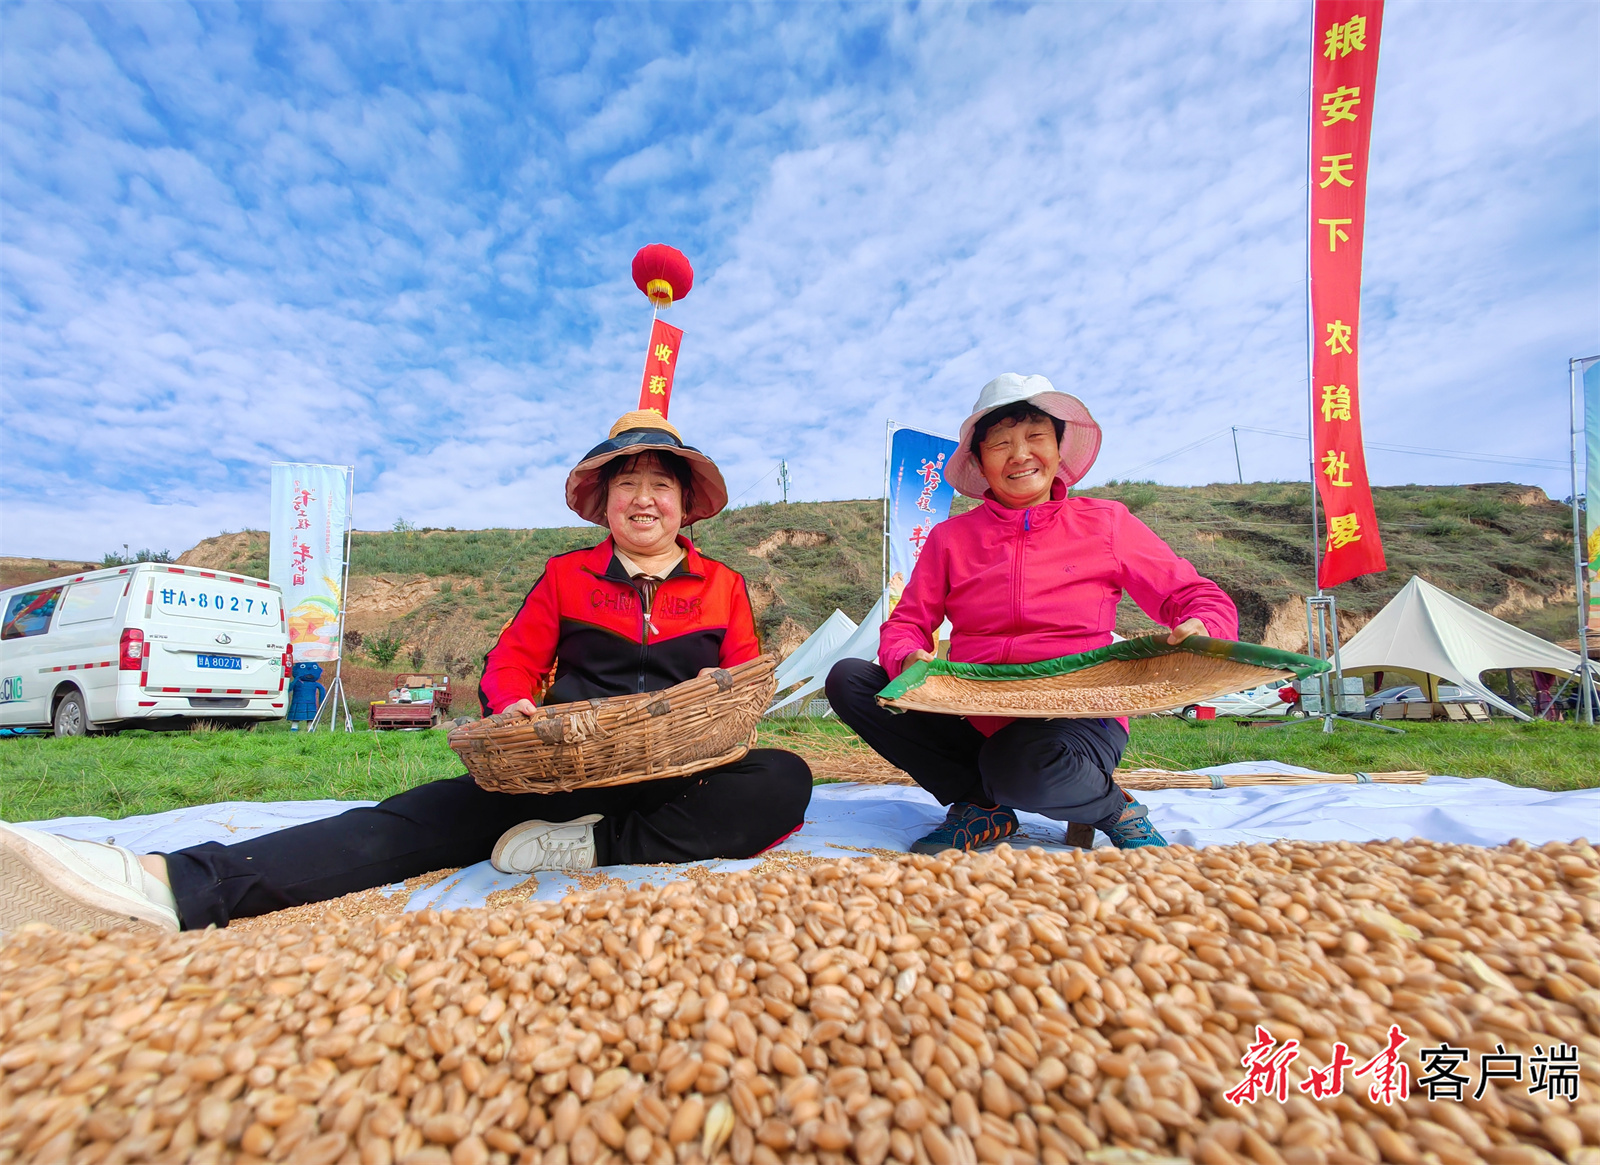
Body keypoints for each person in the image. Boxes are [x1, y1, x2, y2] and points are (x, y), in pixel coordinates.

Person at [0, 411, 813, 933]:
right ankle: (176, 882)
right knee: (408, 822)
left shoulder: (725, 586)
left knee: (783, 778)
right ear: (604, 505)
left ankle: (593, 850)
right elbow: (511, 666)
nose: (643, 500)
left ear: (684, 504)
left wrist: (717, 717)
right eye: (626, 485)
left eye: (658, 486)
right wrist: (517, 709)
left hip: (682, 778)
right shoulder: (567, 576)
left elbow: (741, 683)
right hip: (564, 767)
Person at [827, 374, 1237, 854]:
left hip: (1078, 715)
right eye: (1001, 444)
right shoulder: (950, 539)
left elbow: (1194, 595)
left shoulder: (1106, 523)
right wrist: (905, 656)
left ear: (1058, 450)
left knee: (1020, 764)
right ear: (981, 462)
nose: (1020, 454)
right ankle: (982, 806)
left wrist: (1202, 627)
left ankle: (1114, 808)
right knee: (851, 679)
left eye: (1035, 438)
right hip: (973, 712)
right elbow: (906, 623)